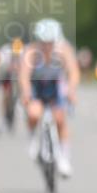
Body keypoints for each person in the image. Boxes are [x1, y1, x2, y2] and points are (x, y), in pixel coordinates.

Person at [18, 19, 80, 176]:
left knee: (60, 119)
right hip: (37, 88)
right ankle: (33, 139)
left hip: (55, 88)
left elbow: (73, 72)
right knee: (34, 113)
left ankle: (64, 158)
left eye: (50, 42)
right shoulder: (31, 51)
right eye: (43, 42)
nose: (47, 46)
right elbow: (24, 75)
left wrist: (71, 91)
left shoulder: (64, 50)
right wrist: (26, 92)